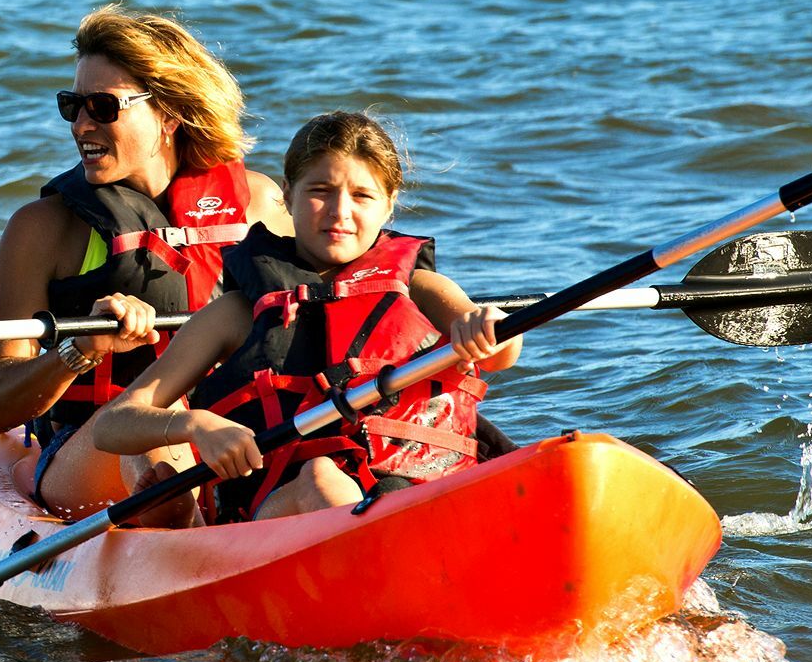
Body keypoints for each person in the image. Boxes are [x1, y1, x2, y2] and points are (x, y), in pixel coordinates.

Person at [91, 111, 522, 525]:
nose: (339, 211)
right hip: (282, 509)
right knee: (321, 477)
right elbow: (112, 425)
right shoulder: (236, 313)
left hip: (415, 492)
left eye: (362, 196)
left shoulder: (423, 288)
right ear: (287, 194)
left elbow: (503, 350)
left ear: (389, 206)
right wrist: (195, 424)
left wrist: (485, 325)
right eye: (320, 190)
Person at [0, 3, 291, 516]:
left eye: (102, 107)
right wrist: (81, 348)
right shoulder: (42, 229)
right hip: (93, 446)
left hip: (226, 431)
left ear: (169, 114)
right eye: (71, 106)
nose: (81, 124)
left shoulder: (258, 204)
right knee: (151, 454)